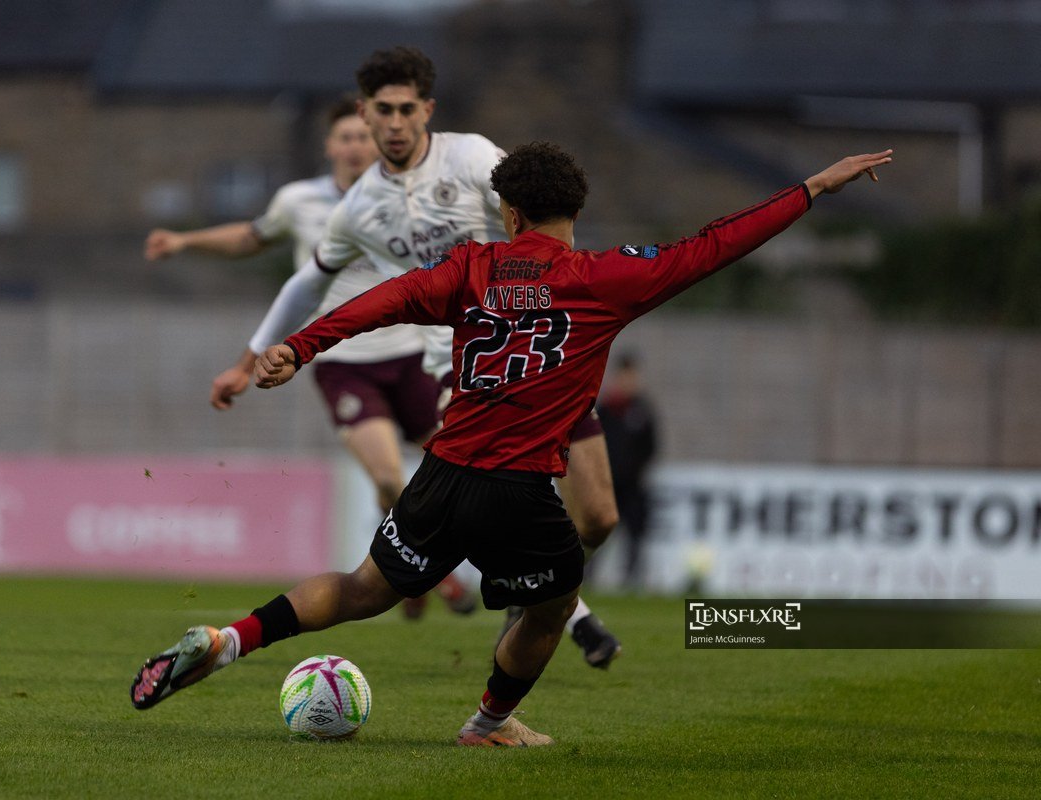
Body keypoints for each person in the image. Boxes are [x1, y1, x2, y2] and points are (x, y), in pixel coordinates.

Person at [129, 140, 893, 747]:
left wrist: (302, 348)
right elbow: (717, 244)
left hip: (444, 471)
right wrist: (813, 188)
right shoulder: (607, 278)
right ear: (574, 209)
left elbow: (380, 301)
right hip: (519, 487)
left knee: (364, 588)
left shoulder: (473, 267)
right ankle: (487, 726)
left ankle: (232, 639)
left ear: (509, 210)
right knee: (555, 603)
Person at [209, 46, 621, 665]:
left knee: (599, 519)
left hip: (545, 353)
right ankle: (533, 611)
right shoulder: (358, 209)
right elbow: (308, 283)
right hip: (463, 370)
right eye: (383, 111)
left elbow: (548, 214)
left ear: (426, 110)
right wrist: (248, 359)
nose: (396, 123)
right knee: (477, 495)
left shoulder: (474, 157)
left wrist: (568, 308)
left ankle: (533, 594)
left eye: (407, 109)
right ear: (365, 114)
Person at [144, 98, 473, 615]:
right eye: (345, 137)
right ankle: (421, 573)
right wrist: (186, 240)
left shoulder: (413, 201)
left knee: (463, 473)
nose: (355, 146)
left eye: (362, 136)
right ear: (329, 146)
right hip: (343, 363)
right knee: (389, 478)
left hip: (415, 356)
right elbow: (252, 238)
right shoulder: (301, 201)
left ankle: (417, 568)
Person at [595, 353, 659, 589]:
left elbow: (651, 446)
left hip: (633, 486)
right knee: (598, 531)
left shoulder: (643, 410)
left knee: (635, 534)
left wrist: (637, 470)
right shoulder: (606, 408)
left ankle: (631, 580)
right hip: (606, 484)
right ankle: (588, 577)